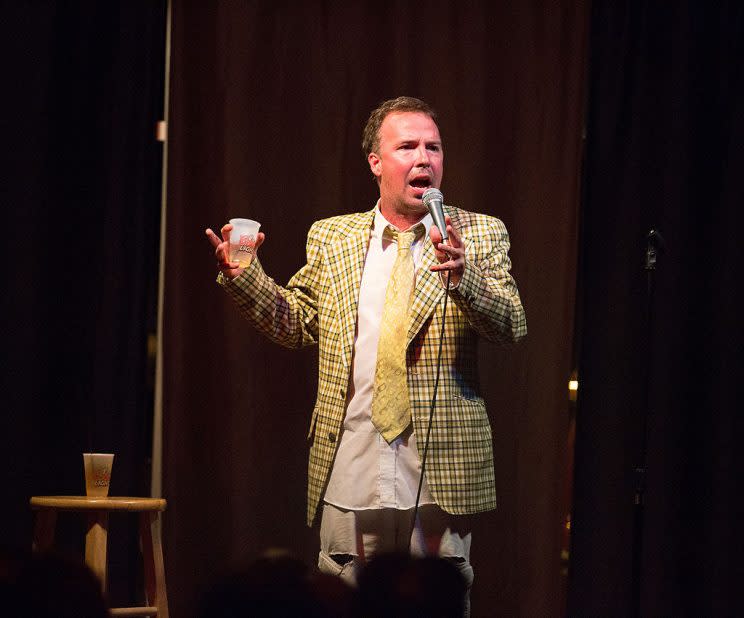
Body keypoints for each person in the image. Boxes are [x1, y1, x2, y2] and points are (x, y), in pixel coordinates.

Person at [206, 96, 526, 612]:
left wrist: (466, 279)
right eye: (407, 147)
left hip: (439, 470)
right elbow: (297, 324)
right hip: (352, 461)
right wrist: (247, 279)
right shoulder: (332, 237)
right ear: (376, 162)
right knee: (342, 604)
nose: (424, 158)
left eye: (434, 147)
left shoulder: (478, 233)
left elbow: (512, 325)